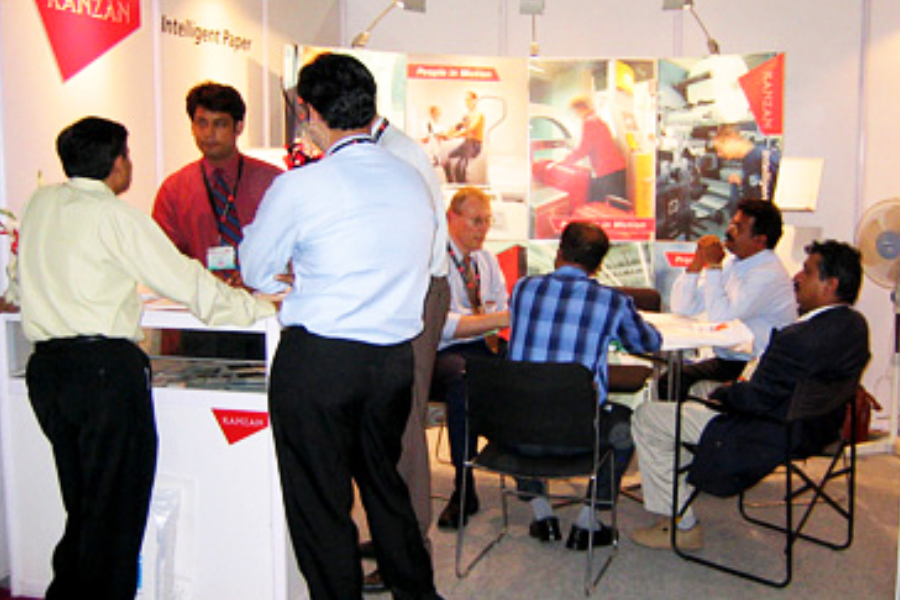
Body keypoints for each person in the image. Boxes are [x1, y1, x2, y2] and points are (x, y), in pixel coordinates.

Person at [13, 116, 275, 600]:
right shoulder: (115, 216)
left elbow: (19, 277)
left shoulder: (40, 204)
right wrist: (258, 308)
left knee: (84, 502)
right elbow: (184, 280)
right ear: (116, 163)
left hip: (47, 371)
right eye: (127, 155)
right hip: (103, 375)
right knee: (115, 510)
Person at [239, 52, 443, 600]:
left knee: (320, 502)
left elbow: (255, 268)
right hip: (391, 360)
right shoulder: (411, 180)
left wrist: (295, 276)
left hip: (321, 363)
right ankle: (418, 593)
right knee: (384, 486)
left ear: (309, 111)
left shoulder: (303, 185)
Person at [631, 240, 870, 550]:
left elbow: (755, 400)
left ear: (830, 284)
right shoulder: (854, 326)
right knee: (697, 390)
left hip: (764, 433)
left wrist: (726, 394)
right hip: (815, 428)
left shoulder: (798, 338)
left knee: (648, 417)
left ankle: (680, 524)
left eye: (807, 272)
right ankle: (682, 484)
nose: (797, 277)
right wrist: (728, 391)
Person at [507, 221, 662, 549]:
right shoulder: (611, 301)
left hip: (516, 434)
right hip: (578, 435)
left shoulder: (523, 288)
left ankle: (542, 514)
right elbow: (646, 342)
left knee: (523, 403)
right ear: (599, 265)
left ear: (559, 252)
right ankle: (588, 522)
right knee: (625, 426)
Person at [359, 113, 450, 591]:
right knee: (382, 423)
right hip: (398, 293)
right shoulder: (384, 151)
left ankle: (409, 554)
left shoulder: (400, 155)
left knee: (405, 426)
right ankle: (389, 536)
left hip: (413, 293)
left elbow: (418, 245)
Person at [152, 82, 282, 359]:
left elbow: (292, 249)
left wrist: (255, 274)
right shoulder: (175, 190)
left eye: (220, 124)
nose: (209, 134)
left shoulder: (272, 182)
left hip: (261, 313)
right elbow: (163, 259)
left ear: (238, 127)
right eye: (202, 123)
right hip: (200, 319)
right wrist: (201, 279)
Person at [661, 199, 796, 401]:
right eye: (732, 223)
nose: (728, 230)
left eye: (738, 228)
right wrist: (697, 262)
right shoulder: (735, 263)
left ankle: (687, 421)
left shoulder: (768, 274)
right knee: (671, 380)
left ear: (760, 240)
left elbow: (722, 318)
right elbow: (682, 307)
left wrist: (714, 266)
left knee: (675, 382)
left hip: (756, 365)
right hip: (731, 358)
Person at [432, 186, 510, 530]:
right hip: (443, 353)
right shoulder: (434, 261)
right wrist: (491, 319)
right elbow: (444, 326)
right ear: (452, 217)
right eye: (476, 221)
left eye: (487, 221)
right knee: (464, 379)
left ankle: (530, 477)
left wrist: (480, 321)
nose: (483, 229)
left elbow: (499, 306)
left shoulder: (486, 260)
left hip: (482, 345)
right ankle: (464, 489)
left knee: (527, 368)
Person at [558, 95, 627, 204]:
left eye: (575, 111)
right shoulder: (598, 119)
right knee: (616, 207)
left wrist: (564, 161)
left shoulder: (589, 121)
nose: (576, 115)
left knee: (603, 207)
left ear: (579, 108)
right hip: (617, 170)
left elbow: (583, 150)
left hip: (608, 172)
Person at [712, 124, 781, 204]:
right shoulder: (748, 161)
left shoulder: (762, 156)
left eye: (719, 149)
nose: (719, 154)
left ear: (731, 139)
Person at [443, 91, 484, 184]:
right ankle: (451, 183)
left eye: (468, 100)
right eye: (465, 100)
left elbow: (470, 130)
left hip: (474, 144)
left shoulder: (478, 115)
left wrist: (453, 136)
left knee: (461, 166)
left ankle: (463, 185)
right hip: (467, 144)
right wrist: (446, 134)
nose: (466, 103)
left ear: (474, 101)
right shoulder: (466, 115)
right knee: (448, 157)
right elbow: (457, 127)